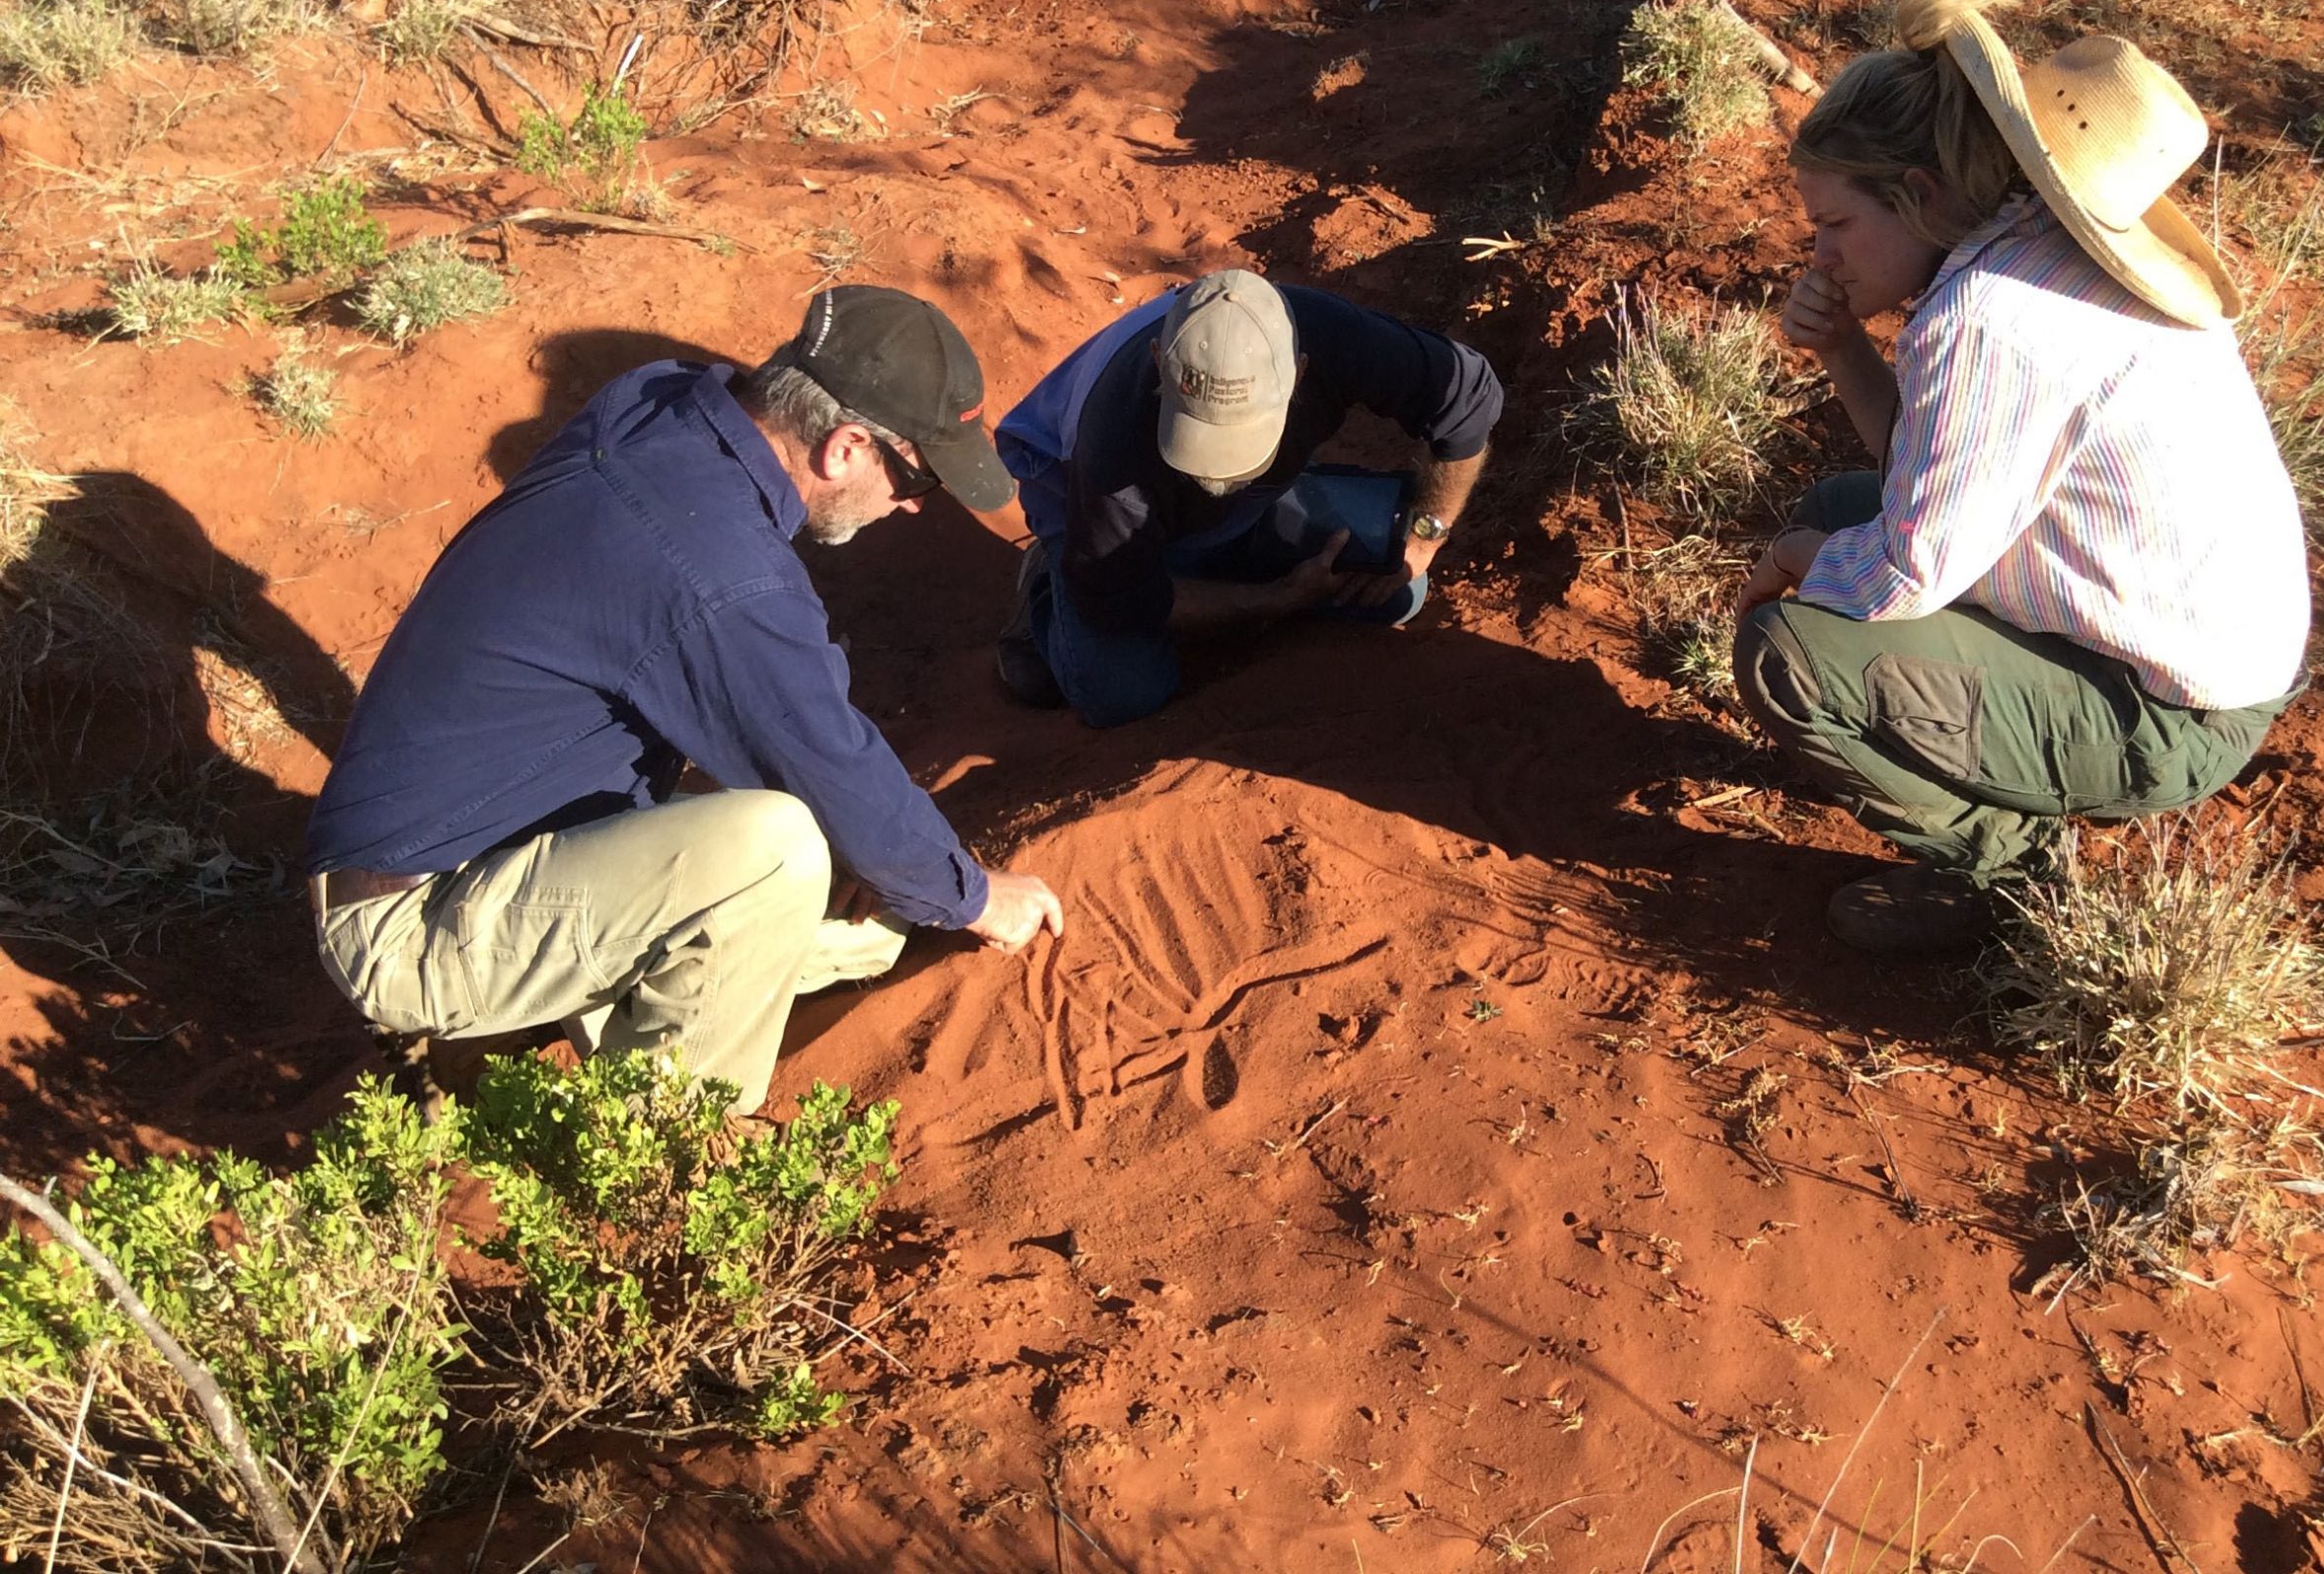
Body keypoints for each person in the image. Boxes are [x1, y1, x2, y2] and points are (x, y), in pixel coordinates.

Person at [304, 287, 1065, 1113]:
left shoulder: (659, 403)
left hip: (461, 837)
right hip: (410, 927)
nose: (915, 505)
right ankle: (659, 1151)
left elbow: (786, 721)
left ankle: (538, 1015)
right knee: (784, 855)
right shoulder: (718, 573)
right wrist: (979, 898)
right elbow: (826, 755)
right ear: (845, 446)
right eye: (915, 476)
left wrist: (893, 860)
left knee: (847, 874)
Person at [1730, 0, 2308, 952]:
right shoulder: (2032, 253)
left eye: (1833, 224)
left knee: (1789, 653)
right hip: (2188, 653)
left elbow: (1911, 569)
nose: (1818, 253)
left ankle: (2007, 880)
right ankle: (1988, 769)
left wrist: (1790, 566)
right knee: (1838, 507)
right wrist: (1839, 348)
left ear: (1916, 193)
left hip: (2167, 714)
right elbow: (1935, 485)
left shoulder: (1988, 315)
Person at [992, 268, 1503, 727]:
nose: (1218, 475)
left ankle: (1218, 553)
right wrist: (1276, 599)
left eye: (1237, 446)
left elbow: (1470, 397)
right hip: (1088, 512)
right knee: (1121, 693)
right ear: (1158, 362)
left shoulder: (1335, 335)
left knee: (1398, 593)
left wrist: (1426, 534)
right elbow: (1123, 603)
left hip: (1242, 503)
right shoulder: (1112, 448)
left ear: (1300, 373)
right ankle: (1050, 584)